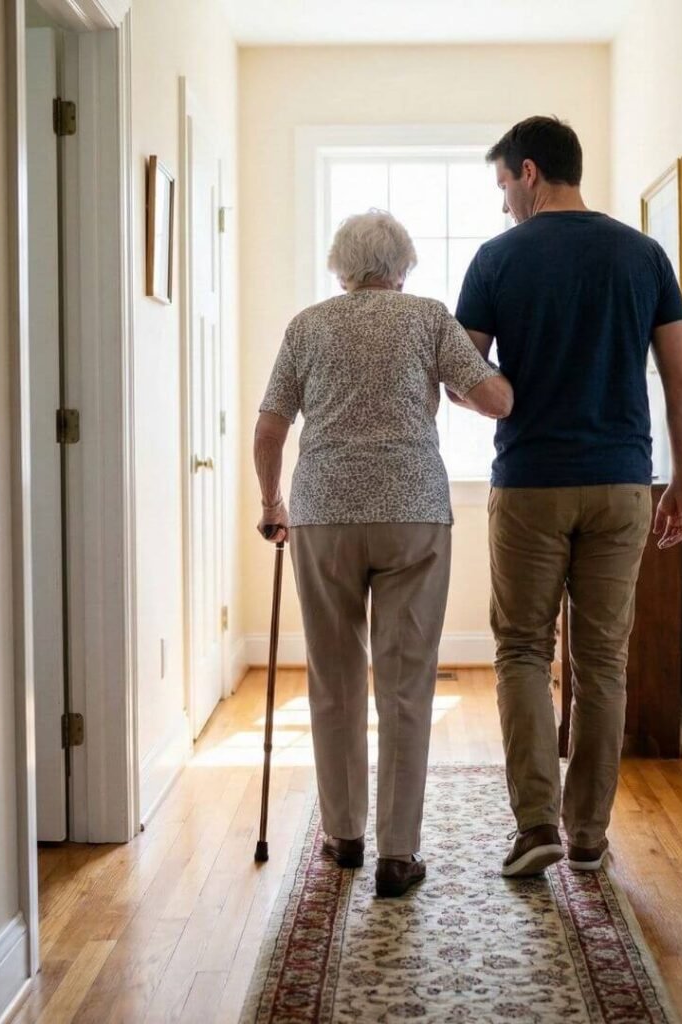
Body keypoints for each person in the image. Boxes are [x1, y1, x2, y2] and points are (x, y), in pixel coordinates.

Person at [454, 116, 682, 877]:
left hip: (531, 483)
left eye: (503, 186)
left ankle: (536, 827)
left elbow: (467, 377)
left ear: (530, 172)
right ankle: (588, 834)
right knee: (602, 660)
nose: (502, 205)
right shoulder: (644, 254)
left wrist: (496, 397)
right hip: (623, 480)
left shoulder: (496, 259)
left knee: (523, 649)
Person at [254, 210, 513, 897]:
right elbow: (488, 396)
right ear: (402, 267)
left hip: (324, 516)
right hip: (412, 517)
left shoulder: (307, 325)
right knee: (406, 684)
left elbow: (269, 428)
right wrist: (499, 383)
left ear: (342, 267)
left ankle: (344, 836)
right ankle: (399, 854)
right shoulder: (426, 317)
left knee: (334, 678)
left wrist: (269, 504)